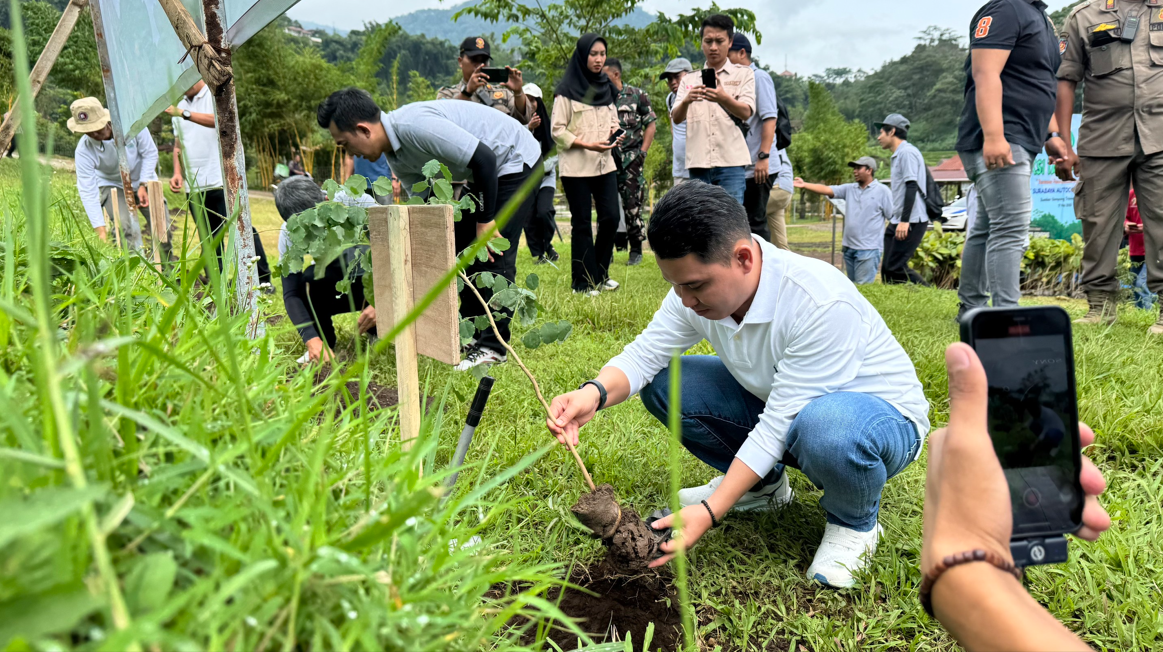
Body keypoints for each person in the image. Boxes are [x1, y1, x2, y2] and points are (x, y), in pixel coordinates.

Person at [547, 182, 931, 588]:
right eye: (674, 284)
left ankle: (854, 524)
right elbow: (645, 355)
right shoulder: (692, 295)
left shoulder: (817, 302)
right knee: (666, 382)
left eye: (694, 285)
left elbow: (779, 424)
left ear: (743, 258)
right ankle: (764, 489)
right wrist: (594, 393)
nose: (685, 299)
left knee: (825, 426)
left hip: (876, 423)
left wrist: (712, 510)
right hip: (788, 408)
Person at [316, 89, 540, 370]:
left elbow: (485, 159)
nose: (350, 153)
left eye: (345, 144)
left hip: (513, 161)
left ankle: (494, 347)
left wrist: (485, 223)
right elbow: (426, 208)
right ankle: (471, 335)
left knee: (491, 250)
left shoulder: (414, 126)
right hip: (480, 174)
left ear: (363, 129)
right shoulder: (396, 157)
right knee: (458, 248)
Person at [922, 343, 1109, 651]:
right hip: (1045, 436)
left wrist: (964, 574)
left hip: (1052, 438)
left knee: (1033, 460)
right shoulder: (1033, 412)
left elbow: (1040, 440)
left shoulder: (1044, 419)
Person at [955, 0, 1068, 318]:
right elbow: (985, 72)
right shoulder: (1005, 10)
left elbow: (1038, 80)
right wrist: (993, 135)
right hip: (1001, 135)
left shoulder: (1040, 17)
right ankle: (1005, 314)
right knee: (1011, 227)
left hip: (1023, 137)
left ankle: (972, 308)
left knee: (989, 225)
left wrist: (1052, 135)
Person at [1056, 0, 1163, 334]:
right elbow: (1064, 79)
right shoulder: (1084, 16)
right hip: (1102, 139)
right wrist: (1064, 143)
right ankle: (1100, 307)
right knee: (1098, 224)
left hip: (1160, 138)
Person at [168, 81, 273, 291]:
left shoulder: (216, 94)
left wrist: (184, 113)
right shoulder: (179, 105)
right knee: (208, 236)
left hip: (223, 179)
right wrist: (177, 173)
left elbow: (222, 121)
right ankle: (218, 283)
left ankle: (262, 279)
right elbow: (178, 145)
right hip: (195, 185)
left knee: (241, 228)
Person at [551, 34, 624, 296]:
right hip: (577, 168)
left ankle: (600, 276)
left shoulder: (606, 87)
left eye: (602, 54)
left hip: (605, 165)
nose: (599, 59)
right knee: (582, 222)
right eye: (593, 54)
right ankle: (581, 283)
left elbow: (613, 121)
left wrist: (617, 133)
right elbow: (557, 130)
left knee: (611, 218)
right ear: (583, 56)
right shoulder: (566, 92)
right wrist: (586, 144)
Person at [274, 176, 376, 363]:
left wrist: (381, 304)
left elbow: (399, 255)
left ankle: (377, 330)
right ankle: (324, 343)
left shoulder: (356, 203)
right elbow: (291, 292)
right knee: (309, 280)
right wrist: (311, 339)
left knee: (363, 259)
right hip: (336, 279)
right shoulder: (289, 231)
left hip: (372, 277)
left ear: (326, 201)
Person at [68, 97, 174, 258]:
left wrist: (144, 184)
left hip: (143, 179)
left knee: (162, 228)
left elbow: (150, 153)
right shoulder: (84, 150)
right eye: (88, 131)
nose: (94, 134)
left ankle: (165, 271)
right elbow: (87, 191)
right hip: (112, 184)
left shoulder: (132, 125)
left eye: (97, 128)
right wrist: (100, 229)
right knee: (125, 228)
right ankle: (134, 271)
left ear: (106, 120)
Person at [671, 14, 756, 205]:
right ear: (701, 42)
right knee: (702, 221)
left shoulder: (744, 74)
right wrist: (686, 101)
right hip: (698, 163)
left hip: (731, 163)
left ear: (730, 42)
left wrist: (723, 97)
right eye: (708, 41)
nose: (713, 47)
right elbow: (676, 118)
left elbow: (746, 112)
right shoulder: (689, 79)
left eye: (720, 41)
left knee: (731, 222)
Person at [794, 157, 892, 285]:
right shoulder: (849, 189)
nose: (855, 171)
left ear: (869, 170)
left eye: (858, 168)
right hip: (849, 248)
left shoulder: (883, 191)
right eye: (854, 168)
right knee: (851, 286)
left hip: (869, 249)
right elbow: (827, 189)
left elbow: (892, 216)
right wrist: (804, 184)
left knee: (863, 289)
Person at [604, 57, 657, 266]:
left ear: (616, 74)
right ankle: (606, 250)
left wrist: (642, 152)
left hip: (631, 160)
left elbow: (651, 124)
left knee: (632, 205)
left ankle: (636, 249)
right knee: (605, 207)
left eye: (605, 75)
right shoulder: (601, 98)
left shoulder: (637, 95)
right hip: (607, 158)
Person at [727, 33, 779, 244]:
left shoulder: (759, 77)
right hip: (742, 165)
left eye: (728, 53)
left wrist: (763, 156)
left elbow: (769, 118)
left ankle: (763, 269)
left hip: (759, 164)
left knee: (755, 222)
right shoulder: (736, 80)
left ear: (741, 53)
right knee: (742, 222)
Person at [876, 113, 930, 285]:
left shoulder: (907, 153)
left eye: (881, 133)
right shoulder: (898, 154)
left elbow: (911, 186)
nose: (878, 137)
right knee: (887, 269)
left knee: (896, 267)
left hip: (911, 219)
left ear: (891, 132)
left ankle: (931, 292)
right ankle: (891, 298)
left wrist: (905, 221)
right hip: (897, 218)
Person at [436, 36, 534, 126]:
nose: (479, 65)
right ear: (460, 62)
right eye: (474, 60)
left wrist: (518, 92)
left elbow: (524, 120)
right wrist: (467, 92)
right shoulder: (447, 94)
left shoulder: (503, 94)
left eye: (484, 61)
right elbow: (443, 124)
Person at [520, 83, 561, 265]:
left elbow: (554, 153)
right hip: (526, 180)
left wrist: (540, 170)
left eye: (533, 100)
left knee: (544, 212)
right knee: (528, 218)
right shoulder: (518, 123)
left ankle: (548, 244)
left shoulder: (549, 127)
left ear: (538, 102)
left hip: (545, 177)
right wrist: (528, 127)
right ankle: (540, 253)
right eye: (526, 100)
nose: (530, 104)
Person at [660, 58, 694, 187]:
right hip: (679, 169)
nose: (673, 82)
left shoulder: (700, 96)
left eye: (677, 77)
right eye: (669, 79)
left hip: (698, 167)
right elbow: (673, 126)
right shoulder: (670, 98)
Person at [1126, 190, 1156, 311]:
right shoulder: (1131, 195)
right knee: (1134, 284)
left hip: (1154, 249)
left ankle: (1150, 313)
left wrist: (1150, 226)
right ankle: (1140, 314)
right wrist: (1126, 225)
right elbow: (1125, 216)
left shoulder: (1157, 191)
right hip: (1135, 249)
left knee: (1141, 283)